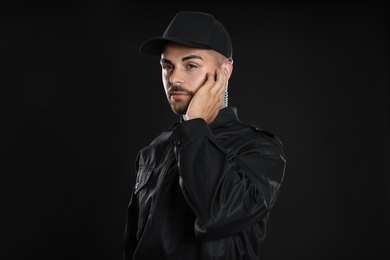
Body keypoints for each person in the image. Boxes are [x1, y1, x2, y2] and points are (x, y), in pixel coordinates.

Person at [123, 11, 286, 260]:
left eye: (190, 65)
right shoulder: (153, 151)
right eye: (167, 66)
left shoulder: (259, 149)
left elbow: (218, 215)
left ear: (224, 72)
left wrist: (196, 124)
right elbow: (134, 246)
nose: (174, 78)